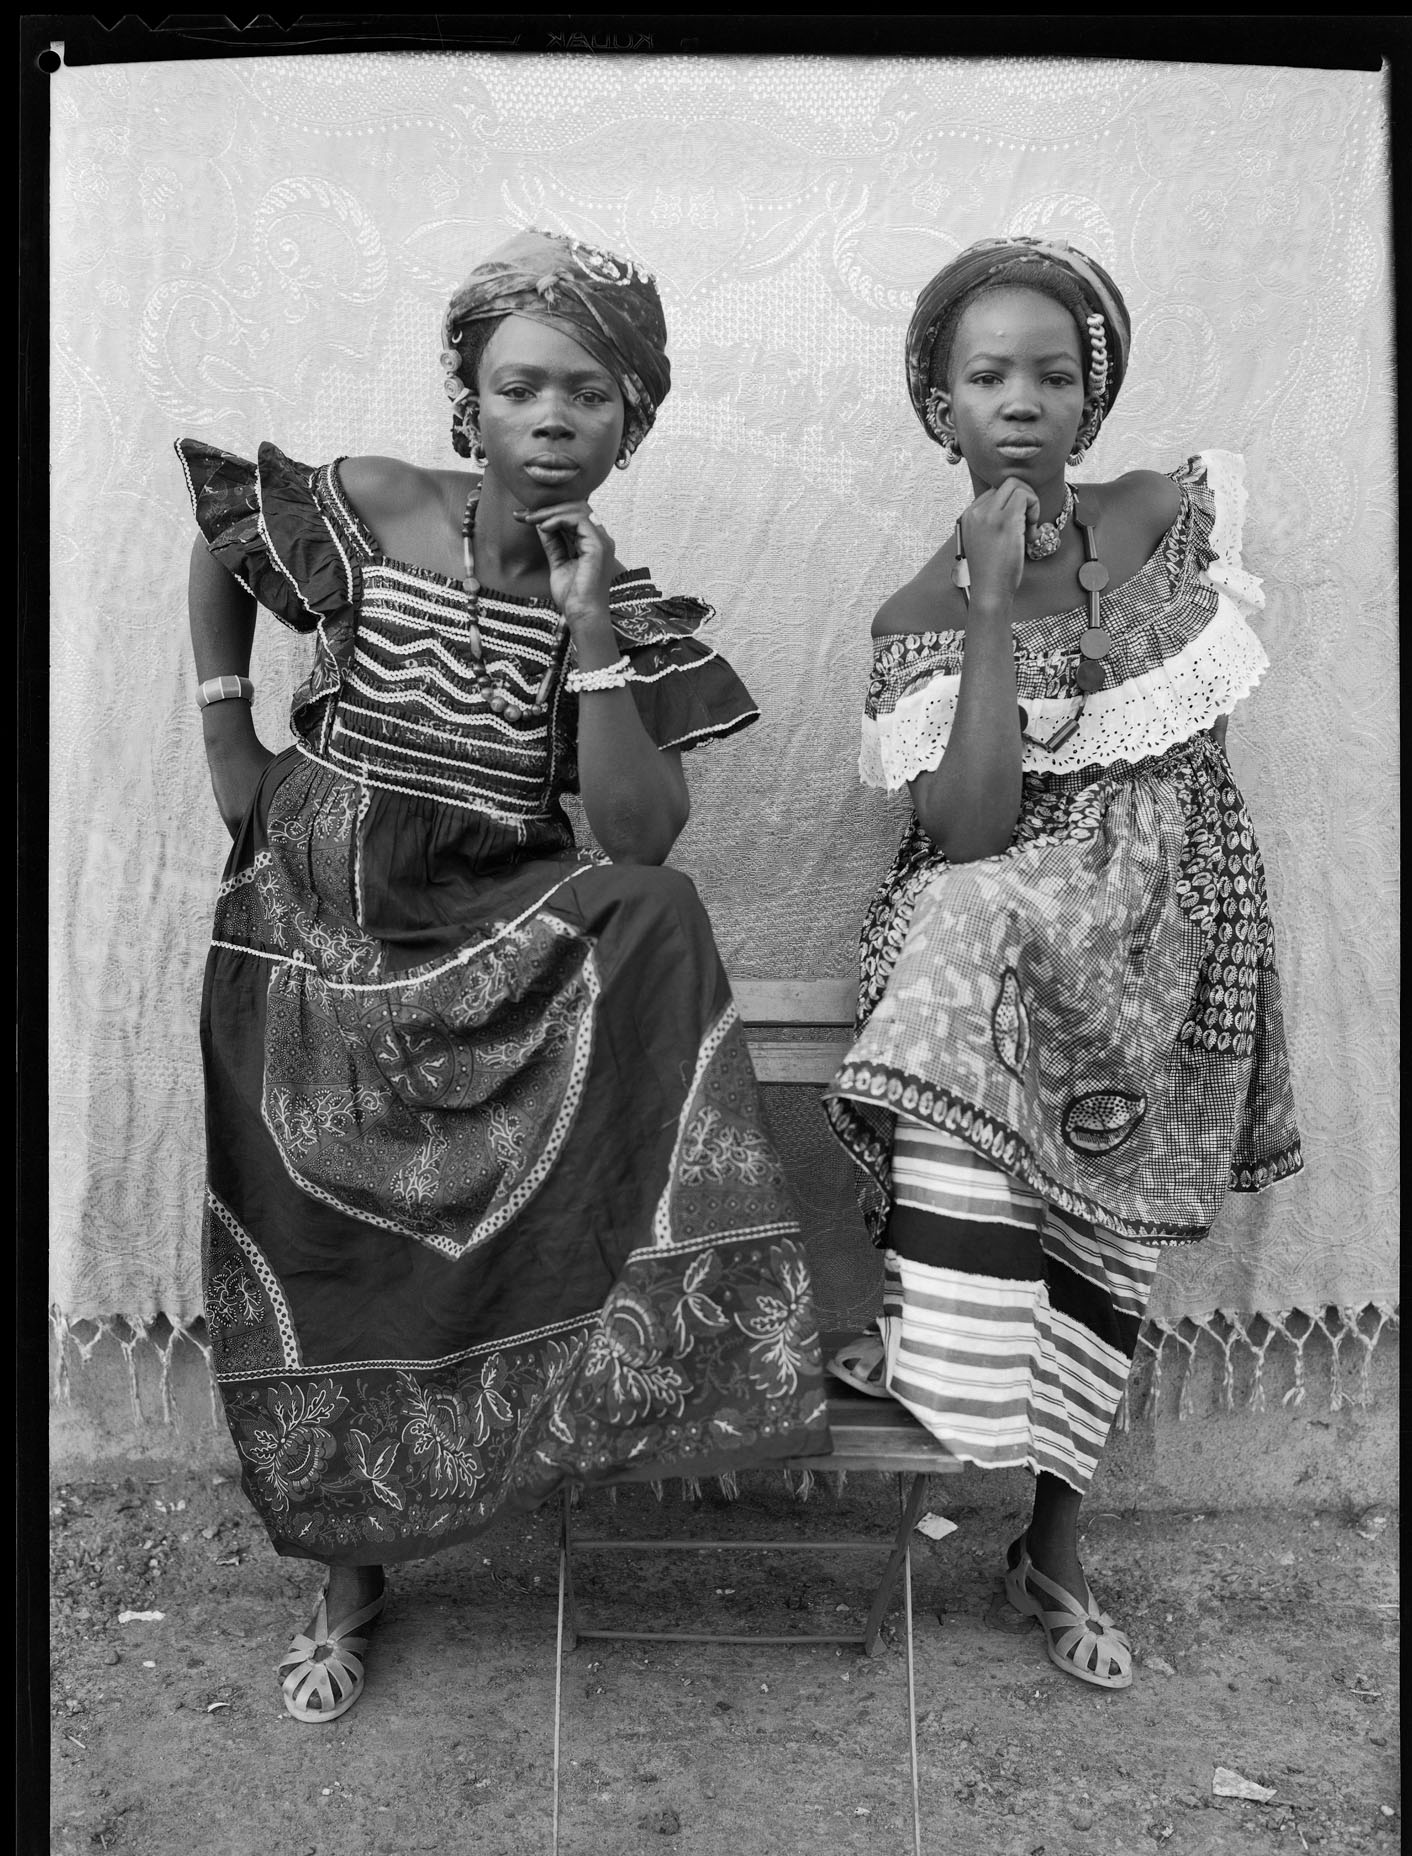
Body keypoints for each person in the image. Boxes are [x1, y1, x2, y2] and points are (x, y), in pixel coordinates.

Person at [177, 229, 827, 1722]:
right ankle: (345, 1574)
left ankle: (613, 1401)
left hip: (490, 930)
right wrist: (228, 731)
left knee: (657, 915)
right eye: (521, 387)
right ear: (467, 400)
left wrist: (590, 630)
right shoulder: (371, 501)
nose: (552, 419)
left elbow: (642, 838)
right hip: (314, 929)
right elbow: (222, 545)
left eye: (590, 395)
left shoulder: (617, 601)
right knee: (326, 1245)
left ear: (632, 421)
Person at [823, 236, 1301, 1690]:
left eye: (1051, 374)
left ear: (1092, 400)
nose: (1021, 401)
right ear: (941, 408)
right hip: (1000, 926)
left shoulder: (1165, 518)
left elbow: (1188, 765)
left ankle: (1054, 1543)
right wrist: (986, 601)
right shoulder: (919, 614)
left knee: (1108, 1223)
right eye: (988, 377)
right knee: (971, 928)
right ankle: (940, 1342)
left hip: (1166, 925)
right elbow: (969, 831)